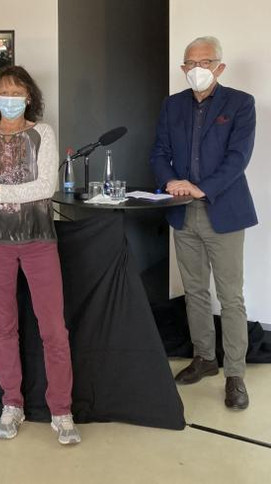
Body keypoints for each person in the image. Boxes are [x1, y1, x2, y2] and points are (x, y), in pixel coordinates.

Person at [0, 65, 80, 444]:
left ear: (29, 97)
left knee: (53, 329)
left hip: (38, 239)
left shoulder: (42, 133)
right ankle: (12, 404)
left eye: (17, 91)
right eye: (3, 91)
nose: (9, 98)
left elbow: (45, 186)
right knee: (3, 327)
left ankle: (61, 409)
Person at [150, 36, 257, 410]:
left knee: (230, 296)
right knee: (194, 290)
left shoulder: (241, 104)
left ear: (219, 67)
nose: (198, 69)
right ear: (183, 68)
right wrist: (171, 183)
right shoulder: (172, 105)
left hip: (223, 209)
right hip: (182, 211)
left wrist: (200, 188)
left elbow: (237, 158)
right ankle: (204, 358)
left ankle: (236, 375)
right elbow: (159, 151)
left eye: (206, 62)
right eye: (190, 63)